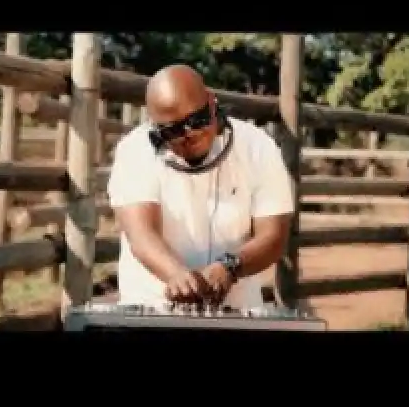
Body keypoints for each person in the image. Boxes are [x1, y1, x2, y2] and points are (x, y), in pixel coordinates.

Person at [107, 64, 294, 309]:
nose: (190, 134)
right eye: (173, 130)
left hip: (237, 310)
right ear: (155, 130)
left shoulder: (258, 148)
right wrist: (177, 276)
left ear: (213, 105)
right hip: (152, 305)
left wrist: (230, 267)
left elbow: (274, 236)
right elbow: (141, 235)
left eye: (198, 119)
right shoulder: (134, 151)